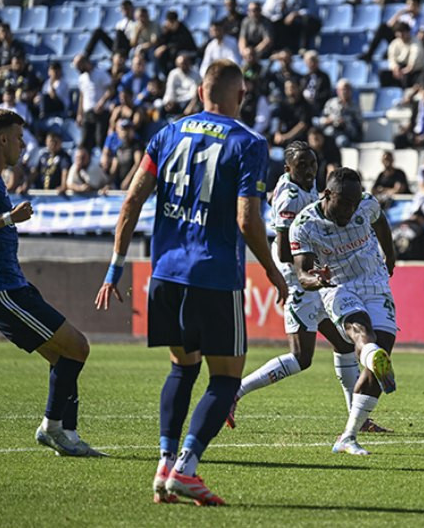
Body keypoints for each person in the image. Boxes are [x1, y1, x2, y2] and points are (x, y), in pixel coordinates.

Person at [95, 59, 288, 505]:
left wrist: (115, 267)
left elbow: (131, 201)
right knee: (226, 378)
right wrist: (275, 274)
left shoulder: (167, 134)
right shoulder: (249, 143)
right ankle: (186, 467)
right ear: (241, 96)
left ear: (201, 92)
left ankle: (164, 462)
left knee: (182, 367)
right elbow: (247, 219)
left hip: (165, 273)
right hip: (215, 277)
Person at [0, 109, 100, 457]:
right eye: (19, 137)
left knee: (64, 356)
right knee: (78, 347)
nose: (24, 145)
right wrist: (7, 219)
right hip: (3, 289)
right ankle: (55, 429)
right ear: (2, 139)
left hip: (9, 285)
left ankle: (63, 433)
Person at [229, 142, 389, 432]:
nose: (309, 170)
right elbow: (284, 252)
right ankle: (235, 392)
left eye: (312, 164)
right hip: (300, 282)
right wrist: (317, 266)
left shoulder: (296, 188)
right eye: (302, 165)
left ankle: (360, 419)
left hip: (316, 279)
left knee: (343, 343)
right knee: (302, 357)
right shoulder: (291, 199)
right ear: (288, 167)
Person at [289, 168, 398, 455]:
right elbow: (302, 274)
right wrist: (318, 280)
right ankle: (373, 356)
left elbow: (381, 222)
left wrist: (391, 256)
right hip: (338, 285)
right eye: (344, 203)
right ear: (327, 194)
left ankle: (348, 436)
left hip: (375, 282)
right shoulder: (304, 225)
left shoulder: (366, 204)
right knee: (361, 332)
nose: (350, 210)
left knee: (379, 354)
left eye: (354, 203)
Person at [358, 0, 424, 63]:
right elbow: (390, 25)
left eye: (412, 5)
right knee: (383, 27)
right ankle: (369, 54)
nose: (410, 7)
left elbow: (421, 34)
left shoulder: (422, 19)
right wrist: (400, 12)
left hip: (410, 41)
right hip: (399, 38)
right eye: (408, 4)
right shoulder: (405, 17)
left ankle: (390, 53)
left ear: (417, 6)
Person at [379, 22, 424, 89]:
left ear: (408, 32)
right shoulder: (395, 43)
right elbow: (391, 58)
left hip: (414, 71)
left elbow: (415, 57)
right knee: (384, 74)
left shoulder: (416, 42)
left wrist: (406, 70)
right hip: (400, 69)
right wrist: (395, 68)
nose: (401, 36)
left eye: (403, 33)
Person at [320, 79, 364, 148]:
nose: (344, 92)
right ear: (337, 91)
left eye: (347, 89)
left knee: (341, 141)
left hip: (347, 133)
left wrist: (346, 121)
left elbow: (359, 124)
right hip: (332, 130)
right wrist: (331, 120)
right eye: (342, 89)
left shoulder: (355, 106)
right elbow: (322, 119)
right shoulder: (331, 103)